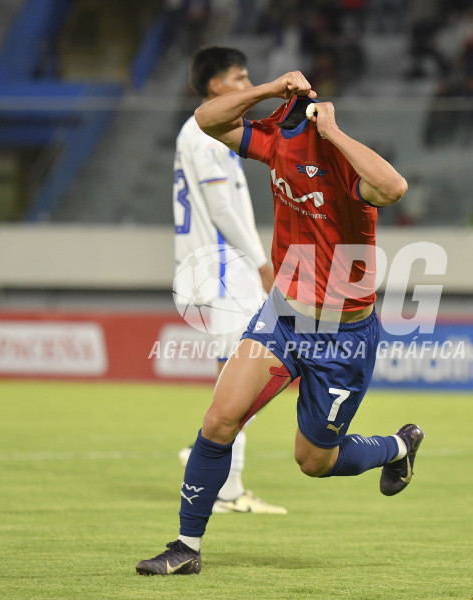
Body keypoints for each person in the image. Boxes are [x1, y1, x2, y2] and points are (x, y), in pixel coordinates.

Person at [136, 70, 424, 576]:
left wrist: (333, 132)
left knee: (314, 460)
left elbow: (394, 186)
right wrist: (269, 88)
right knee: (219, 420)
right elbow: (206, 119)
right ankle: (186, 547)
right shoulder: (274, 142)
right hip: (284, 315)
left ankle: (399, 446)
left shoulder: (341, 158)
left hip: (344, 336)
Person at [171, 46, 285, 515]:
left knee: (238, 377)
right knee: (249, 375)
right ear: (215, 85)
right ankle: (220, 475)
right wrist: (262, 262)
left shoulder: (203, 132)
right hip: (221, 272)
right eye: (239, 77)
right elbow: (221, 209)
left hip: (215, 272)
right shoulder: (205, 134)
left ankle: (218, 471)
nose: (246, 83)